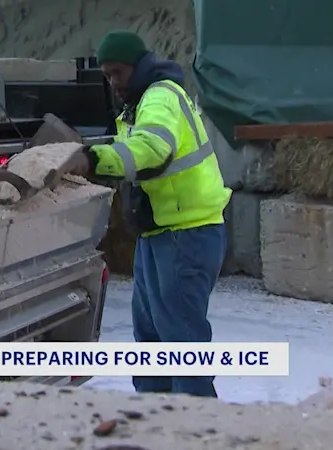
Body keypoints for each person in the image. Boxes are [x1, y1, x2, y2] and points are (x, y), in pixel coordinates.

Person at [69, 31, 232, 397]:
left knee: (181, 343)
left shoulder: (160, 97)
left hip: (186, 234)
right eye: (107, 76)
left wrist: (93, 160)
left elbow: (151, 148)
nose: (113, 83)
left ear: (139, 66)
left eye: (118, 73)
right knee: (151, 338)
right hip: (160, 233)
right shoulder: (140, 101)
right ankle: (152, 418)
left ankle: (196, 428)